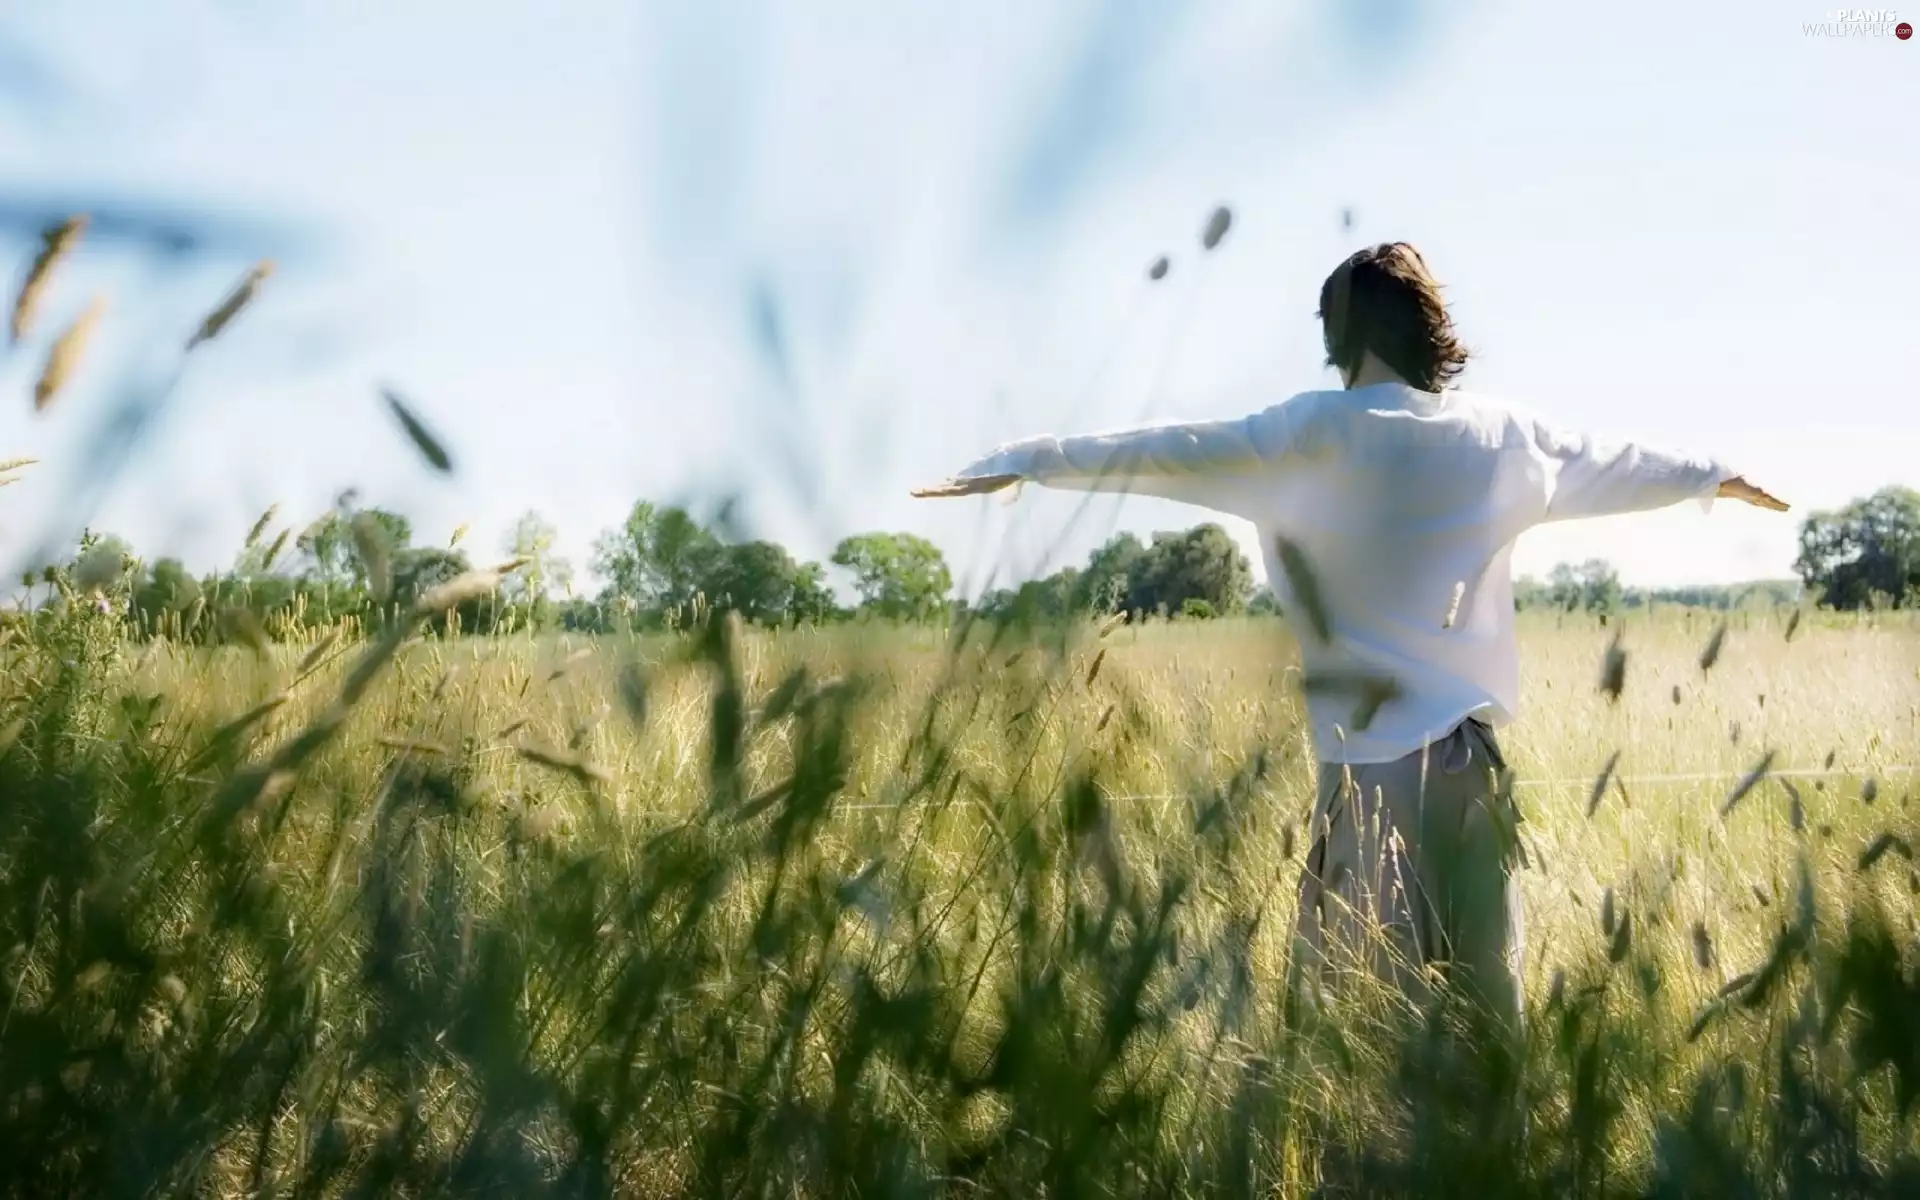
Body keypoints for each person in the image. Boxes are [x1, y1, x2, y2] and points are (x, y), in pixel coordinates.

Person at [910, 241, 1789, 1036]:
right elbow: (1619, 459)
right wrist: (1715, 475)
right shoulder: (1498, 434)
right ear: (1429, 330)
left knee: (1359, 1021)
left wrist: (1023, 458)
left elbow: (1159, 448)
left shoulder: (1298, 435)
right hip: (1472, 770)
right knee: (1487, 1011)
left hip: (1365, 778)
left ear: (1335, 335)